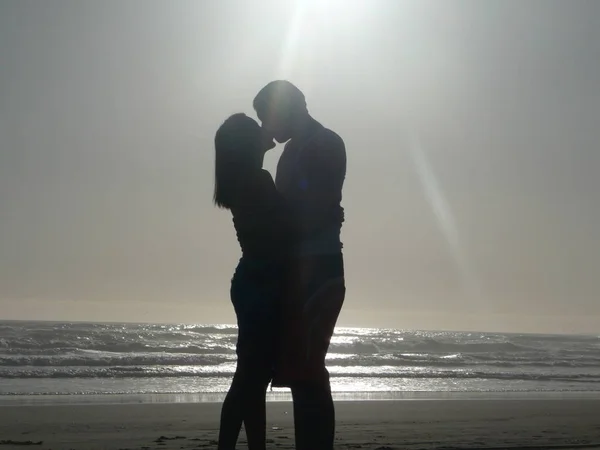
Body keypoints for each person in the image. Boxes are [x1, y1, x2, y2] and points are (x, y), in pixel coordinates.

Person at [253, 80, 347, 450]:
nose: (266, 128)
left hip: (318, 268)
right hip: (300, 268)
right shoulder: (292, 151)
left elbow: (312, 209)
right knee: (298, 368)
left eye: (267, 118)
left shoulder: (324, 143)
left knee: (308, 370)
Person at [213, 113, 296, 450]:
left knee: (251, 377)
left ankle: (252, 447)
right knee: (250, 379)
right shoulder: (257, 180)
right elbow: (287, 230)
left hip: (251, 280)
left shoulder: (241, 182)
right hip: (262, 284)